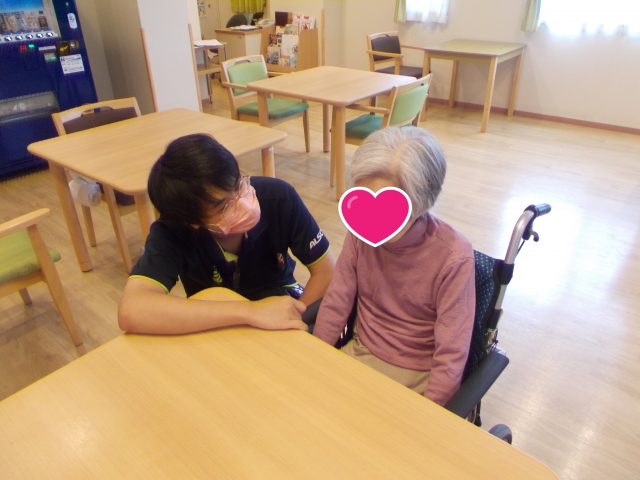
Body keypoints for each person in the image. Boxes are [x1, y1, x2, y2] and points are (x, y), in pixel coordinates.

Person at [313, 127, 475, 406]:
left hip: (419, 375)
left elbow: (451, 355)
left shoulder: (454, 257)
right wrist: (314, 360)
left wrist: (430, 416)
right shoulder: (360, 233)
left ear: (421, 204)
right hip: (361, 352)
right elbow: (336, 301)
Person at [118, 134, 334, 335]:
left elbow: (326, 272)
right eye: (223, 207)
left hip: (280, 298)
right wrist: (250, 311)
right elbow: (132, 309)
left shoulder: (278, 198)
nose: (242, 202)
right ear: (192, 221)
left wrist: (293, 324)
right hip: (216, 319)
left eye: (239, 185)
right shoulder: (173, 230)